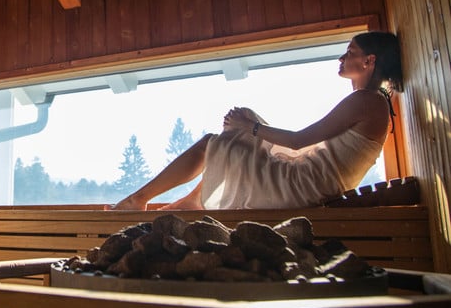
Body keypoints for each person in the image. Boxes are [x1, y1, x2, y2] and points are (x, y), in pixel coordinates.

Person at [108, 32, 403, 211]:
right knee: (235, 133)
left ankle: (140, 198)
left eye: (350, 52)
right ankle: (191, 200)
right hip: (312, 182)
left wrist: (248, 129)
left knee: (214, 142)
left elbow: (300, 141)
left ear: (369, 61)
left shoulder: (366, 101)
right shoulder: (372, 103)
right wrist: (248, 127)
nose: (342, 57)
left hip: (304, 187)